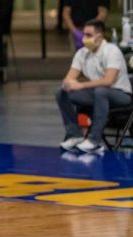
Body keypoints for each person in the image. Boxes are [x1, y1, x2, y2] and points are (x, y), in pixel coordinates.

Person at [56, 20, 132, 154]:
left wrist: (80, 85)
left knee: (100, 91)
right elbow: (69, 77)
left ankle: (94, 140)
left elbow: (108, 81)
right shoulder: (82, 53)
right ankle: (75, 135)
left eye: (89, 35)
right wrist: (67, 83)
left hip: (121, 95)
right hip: (98, 94)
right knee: (61, 92)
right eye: (84, 35)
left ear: (100, 36)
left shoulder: (111, 51)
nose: (85, 39)